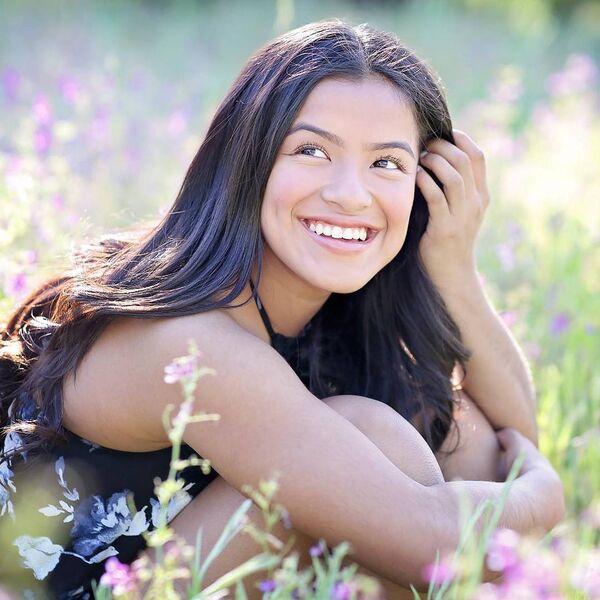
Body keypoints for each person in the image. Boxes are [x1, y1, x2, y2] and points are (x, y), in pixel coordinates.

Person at [0, 18, 564, 600]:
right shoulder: (188, 342)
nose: (350, 194)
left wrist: (452, 264)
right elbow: (440, 547)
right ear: (247, 160)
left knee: (444, 437)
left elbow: (501, 449)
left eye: (387, 163)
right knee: (379, 442)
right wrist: (546, 495)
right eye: (311, 151)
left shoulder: (324, 329)